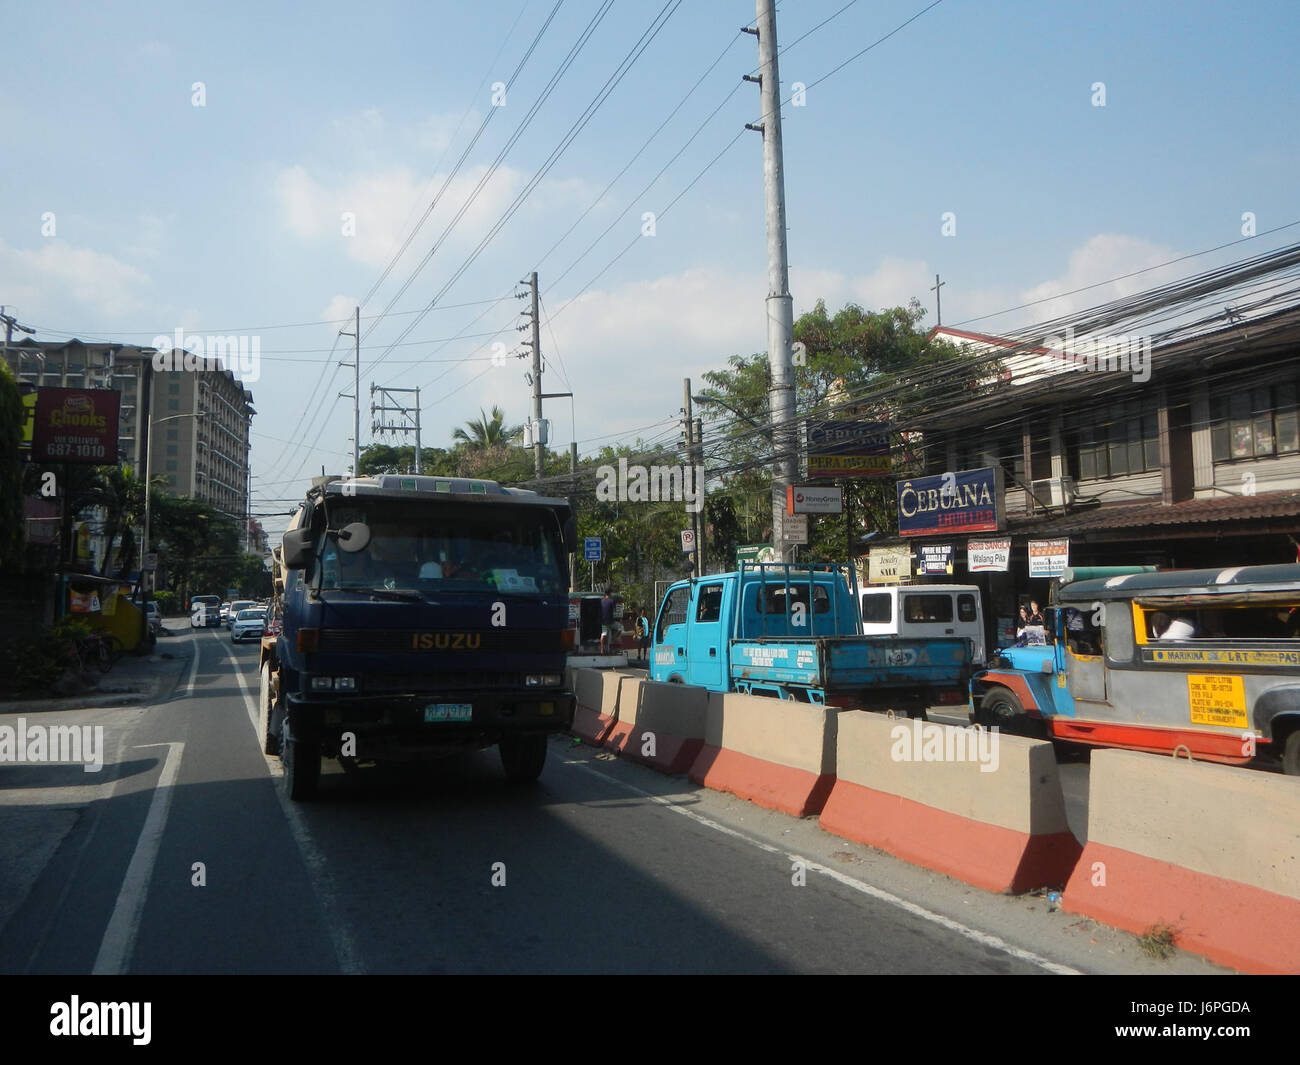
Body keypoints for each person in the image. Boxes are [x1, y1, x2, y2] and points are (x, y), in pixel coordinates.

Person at [600, 589, 616, 655]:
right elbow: (614, 610)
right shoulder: (611, 601)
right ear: (609, 594)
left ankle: (602, 649)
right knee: (620, 628)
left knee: (603, 634)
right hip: (610, 621)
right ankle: (612, 642)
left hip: (603, 621)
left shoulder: (601, 601)